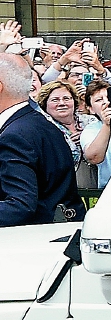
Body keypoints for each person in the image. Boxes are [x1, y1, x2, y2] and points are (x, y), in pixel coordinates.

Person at [0, 54, 86, 226]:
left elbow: (21, 205)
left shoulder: (14, 136)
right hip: (61, 233)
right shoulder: (40, 123)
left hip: (38, 241)